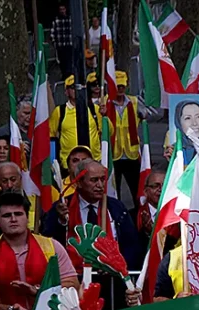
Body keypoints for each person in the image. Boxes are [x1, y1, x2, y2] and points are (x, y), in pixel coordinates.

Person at [42, 159, 146, 292]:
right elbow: (50, 243)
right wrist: (61, 221)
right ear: (79, 182)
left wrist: (117, 266)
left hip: (113, 284)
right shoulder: (62, 208)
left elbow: (131, 245)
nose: (100, 185)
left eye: (103, 179)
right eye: (94, 180)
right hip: (74, 283)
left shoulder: (116, 208)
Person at [0, 191, 79, 310]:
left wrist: (39, 291)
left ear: (27, 218)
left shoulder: (52, 247)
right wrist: (9, 309)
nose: (13, 219)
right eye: (6, 215)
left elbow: (73, 284)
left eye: (18, 214)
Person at [49, 78, 102, 169]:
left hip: (94, 161)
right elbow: (50, 136)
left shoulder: (95, 109)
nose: (77, 90)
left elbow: (107, 131)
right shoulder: (60, 111)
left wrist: (105, 116)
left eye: (80, 87)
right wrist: (52, 161)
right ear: (66, 92)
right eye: (73, 87)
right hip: (69, 164)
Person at [108, 71, 142, 204]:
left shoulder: (134, 101)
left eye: (122, 86)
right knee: (114, 193)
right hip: (113, 154)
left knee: (136, 191)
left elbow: (145, 114)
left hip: (131, 154)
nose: (120, 89)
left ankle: (139, 219)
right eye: (117, 86)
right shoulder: (106, 103)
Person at [51, 4, 75, 80]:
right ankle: (64, 75)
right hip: (60, 45)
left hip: (69, 44)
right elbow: (52, 32)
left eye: (63, 9)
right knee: (62, 62)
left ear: (66, 9)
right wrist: (54, 42)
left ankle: (70, 75)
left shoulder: (70, 19)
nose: (62, 11)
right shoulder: (56, 20)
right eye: (60, 9)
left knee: (70, 61)